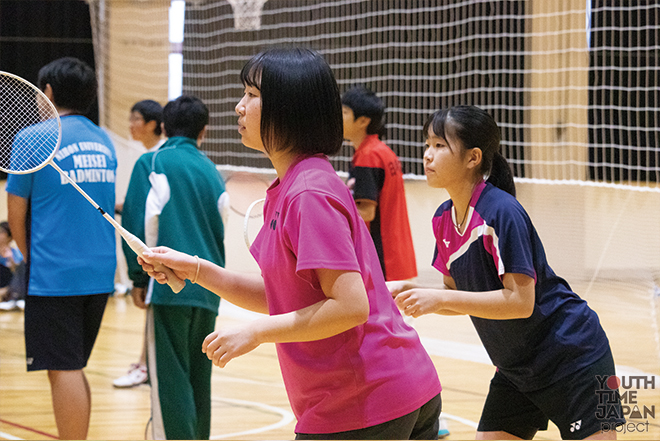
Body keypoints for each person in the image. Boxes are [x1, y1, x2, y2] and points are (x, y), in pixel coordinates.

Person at [137, 47, 442, 440]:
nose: (238, 106)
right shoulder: (292, 186)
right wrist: (197, 270)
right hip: (381, 393)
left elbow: (350, 306)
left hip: (366, 402)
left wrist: (257, 332)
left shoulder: (309, 193)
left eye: (251, 94)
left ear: (288, 108)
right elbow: (284, 294)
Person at [389, 105, 625, 440]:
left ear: (473, 157)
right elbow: (461, 299)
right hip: (518, 368)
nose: (428, 155)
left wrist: (438, 297)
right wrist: (410, 292)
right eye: (427, 144)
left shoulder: (501, 212)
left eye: (440, 146)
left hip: (575, 356)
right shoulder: (443, 218)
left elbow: (520, 302)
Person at [6, 56, 117, 440]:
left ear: (48, 92)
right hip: (101, 273)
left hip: (56, 275)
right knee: (73, 365)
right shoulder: (104, 140)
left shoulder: (33, 137)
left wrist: (31, 259)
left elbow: (15, 212)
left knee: (63, 368)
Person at [121, 94, 228, 439]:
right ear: (204, 132)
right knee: (200, 378)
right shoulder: (212, 171)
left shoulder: (152, 162)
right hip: (211, 289)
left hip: (168, 286)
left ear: (164, 127)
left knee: (170, 379)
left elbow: (137, 222)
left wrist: (138, 278)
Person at [113, 99, 164, 389]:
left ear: (153, 124)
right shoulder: (151, 157)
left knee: (156, 307)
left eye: (136, 119)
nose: (131, 125)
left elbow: (143, 211)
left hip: (158, 252)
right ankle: (145, 362)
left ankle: (146, 366)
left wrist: (137, 274)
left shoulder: (155, 160)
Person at [341, 85, 417, 281]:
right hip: (394, 253)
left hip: (382, 255)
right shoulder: (380, 151)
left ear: (363, 121)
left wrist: (329, 214)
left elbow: (366, 211)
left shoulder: (369, 156)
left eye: (344, 112)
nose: (337, 117)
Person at [0, 221, 25, 311]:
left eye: (2, 232)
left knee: (21, 266)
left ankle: (15, 299)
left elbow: (18, 275)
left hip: (10, 289)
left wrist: (11, 259)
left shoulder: (15, 253)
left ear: (9, 237)